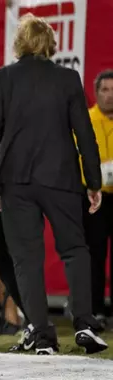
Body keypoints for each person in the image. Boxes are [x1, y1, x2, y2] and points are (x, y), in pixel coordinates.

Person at [0, 14, 108, 355]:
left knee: (26, 258)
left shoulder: (2, 78)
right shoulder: (67, 78)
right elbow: (85, 134)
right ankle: (84, 322)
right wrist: (93, 182)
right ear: (50, 44)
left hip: (14, 181)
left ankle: (42, 335)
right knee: (75, 250)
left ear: (19, 43)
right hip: (61, 178)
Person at [82, 69, 113, 320]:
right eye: (105, 90)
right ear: (96, 93)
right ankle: (95, 310)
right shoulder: (85, 119)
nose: (110, 95)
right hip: (94, 196)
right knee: (95, 253)